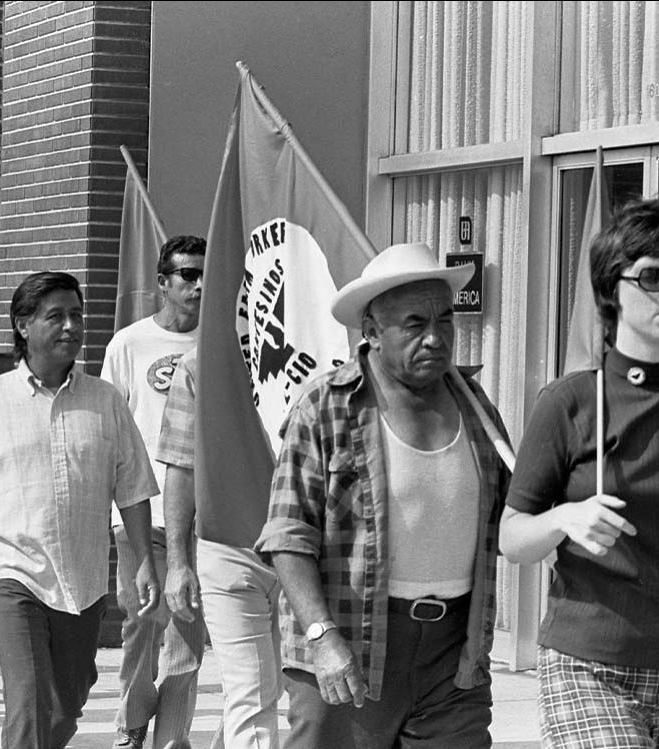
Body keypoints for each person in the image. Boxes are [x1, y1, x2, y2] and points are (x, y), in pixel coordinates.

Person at [255, 242, 511, 748]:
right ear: (371, 331)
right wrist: (322, 637)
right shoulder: (325, 406)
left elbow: (511, 514)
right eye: (415, 323)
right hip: (352, 646)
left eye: (445, 320)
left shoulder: (476, 405)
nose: (436, 337)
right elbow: (287, 535)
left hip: (454, 655)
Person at [500, 198, 659, 747]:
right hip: (590, 664)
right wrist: (565, 517)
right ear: (611, 290)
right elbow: (513, 537)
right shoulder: (569, 403)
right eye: (652, 276)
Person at [0, 271, 161, 749]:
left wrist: (144, 564)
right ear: (22, 325)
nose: (71, 326)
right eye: (56, 316)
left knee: (66, 704)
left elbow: (134, 488)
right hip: (14, 576)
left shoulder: (106, 401)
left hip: (84, 580)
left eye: (76, 315)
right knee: (29, 699)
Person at [100, 235, 206, 749]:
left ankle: (171, 737)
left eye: (207, 273)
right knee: (142, 626)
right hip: (141, 513)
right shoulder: (128, 343)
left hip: (201, 518)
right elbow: (110, 430)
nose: (198, 284)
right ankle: (132, 720)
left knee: (186, 640)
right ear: (162, 282)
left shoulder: (226, 346)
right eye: (187, 274)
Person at [156, 347, 280, 748]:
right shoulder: (199, 365)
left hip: (312, 551)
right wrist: (177, 563)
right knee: (251, 691)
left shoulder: (325, 342)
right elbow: (181, 466)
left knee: (301, 693)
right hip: (232, 549)